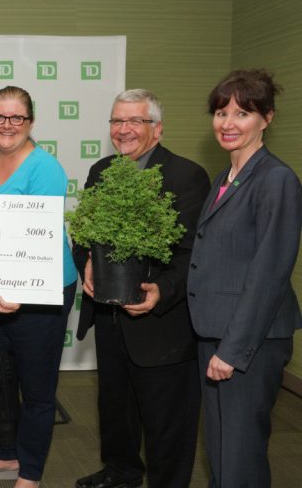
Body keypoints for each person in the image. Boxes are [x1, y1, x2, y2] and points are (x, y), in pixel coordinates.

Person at [73, 89, 210, 488]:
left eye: (135, 121)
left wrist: (161, 292)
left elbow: (193, 254)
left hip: (163, 324)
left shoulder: (187, 176)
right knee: (115, 406)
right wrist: (85, 260)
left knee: (166, 418)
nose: (124, 130)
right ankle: (121, 471)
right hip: (110, 315)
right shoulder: (101, 171)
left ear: (158, 128)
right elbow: (83, 232)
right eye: (117, 121)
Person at [188, 69, 302, 487]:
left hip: (247, 343)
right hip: (216, 333)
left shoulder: (277, 180)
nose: (228, 123)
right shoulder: (225, 177)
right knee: (221, 449)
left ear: (266, 118)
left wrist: (233, 351)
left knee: (240, 454)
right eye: (220, 113)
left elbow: (269, 273)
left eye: (242, 113)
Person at [0, 86, 78, 488]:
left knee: (37, 385)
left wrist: (21, 292)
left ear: (30, 123)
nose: (6, 126)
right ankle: (5, 454)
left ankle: (30, 472)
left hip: (40, 293)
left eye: (16, 118)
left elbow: (37, 240)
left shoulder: (45, 169)